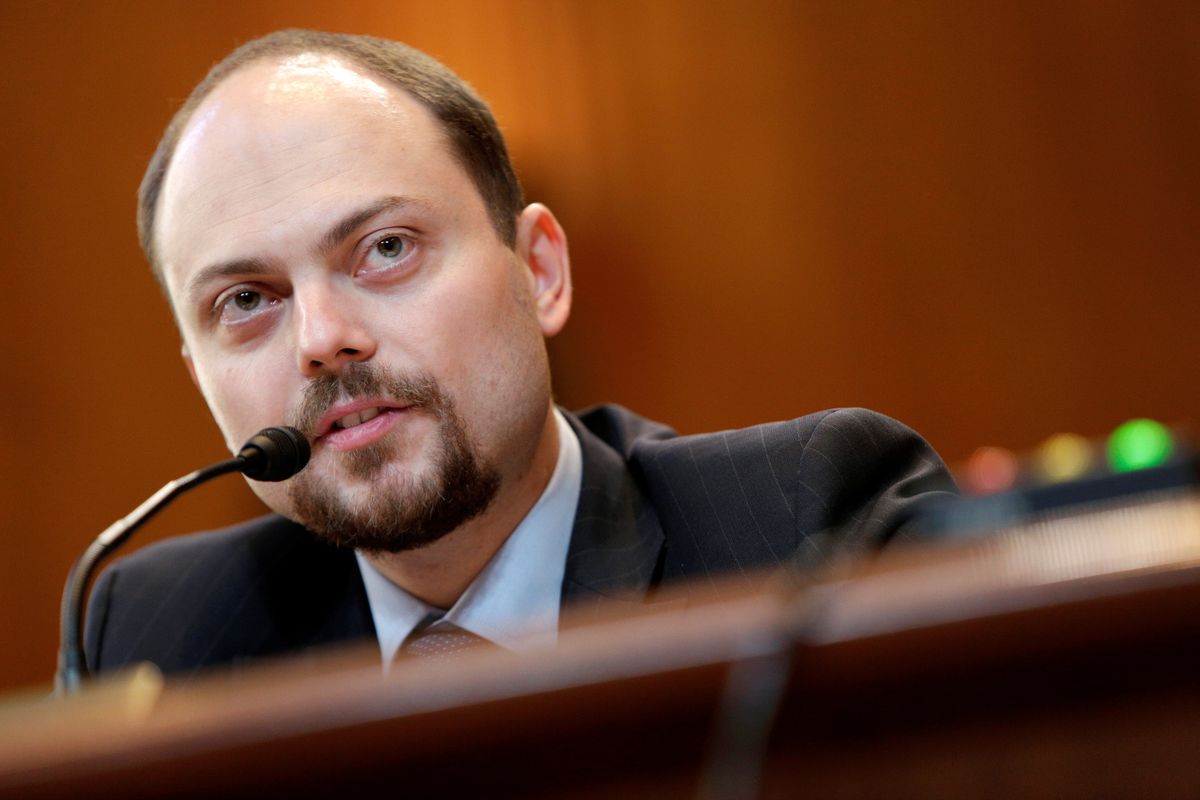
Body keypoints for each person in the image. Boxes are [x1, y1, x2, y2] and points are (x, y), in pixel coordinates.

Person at [85, 29, 956, 677]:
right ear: (201, 379)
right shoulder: (152, 637)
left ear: (538, 270)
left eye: (385, 248)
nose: (320, 339)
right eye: (246, 301)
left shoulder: (802, 524)